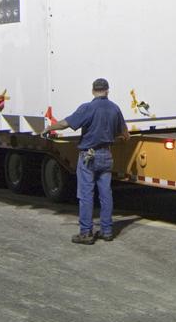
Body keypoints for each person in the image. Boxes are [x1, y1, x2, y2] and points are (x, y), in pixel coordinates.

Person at [40, 77, 128, 244]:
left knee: (86, 195)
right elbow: (124, 133)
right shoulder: (115, 109)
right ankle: (107, 231)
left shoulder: (88, 108)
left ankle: (86, 233)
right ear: (107, 90)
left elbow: (66, 123)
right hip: (106, 155)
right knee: (105, 194)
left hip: (89, 156)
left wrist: (49, 127)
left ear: (93, 91)